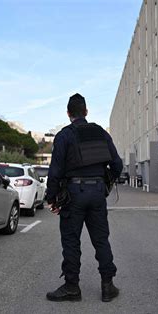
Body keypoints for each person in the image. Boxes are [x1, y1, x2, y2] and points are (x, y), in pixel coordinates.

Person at [45, 93, 123, 302]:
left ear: (68, 113)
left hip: (73, 195)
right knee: (101, 240)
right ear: (86, 112)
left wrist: (51, 198)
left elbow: (55, 171)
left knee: (71, 241)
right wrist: (105, 184)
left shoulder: (64, 136)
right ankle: (108, 286)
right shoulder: (101, 133)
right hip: (97, 193)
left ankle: (72, 287)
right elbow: (117, 165)